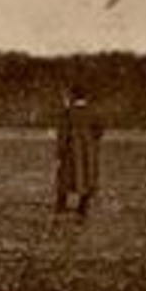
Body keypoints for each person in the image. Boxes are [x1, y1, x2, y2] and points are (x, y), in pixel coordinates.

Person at [55, 85, 104, 217]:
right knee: (87, 176)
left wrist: (60, 152)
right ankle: (83, 206)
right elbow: (99, 131)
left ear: (73, 96)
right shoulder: (93, 112)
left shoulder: (68, 113)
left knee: (65, 176)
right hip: (88, 150)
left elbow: (63, 134)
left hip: (72, 150)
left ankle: (61, 205)